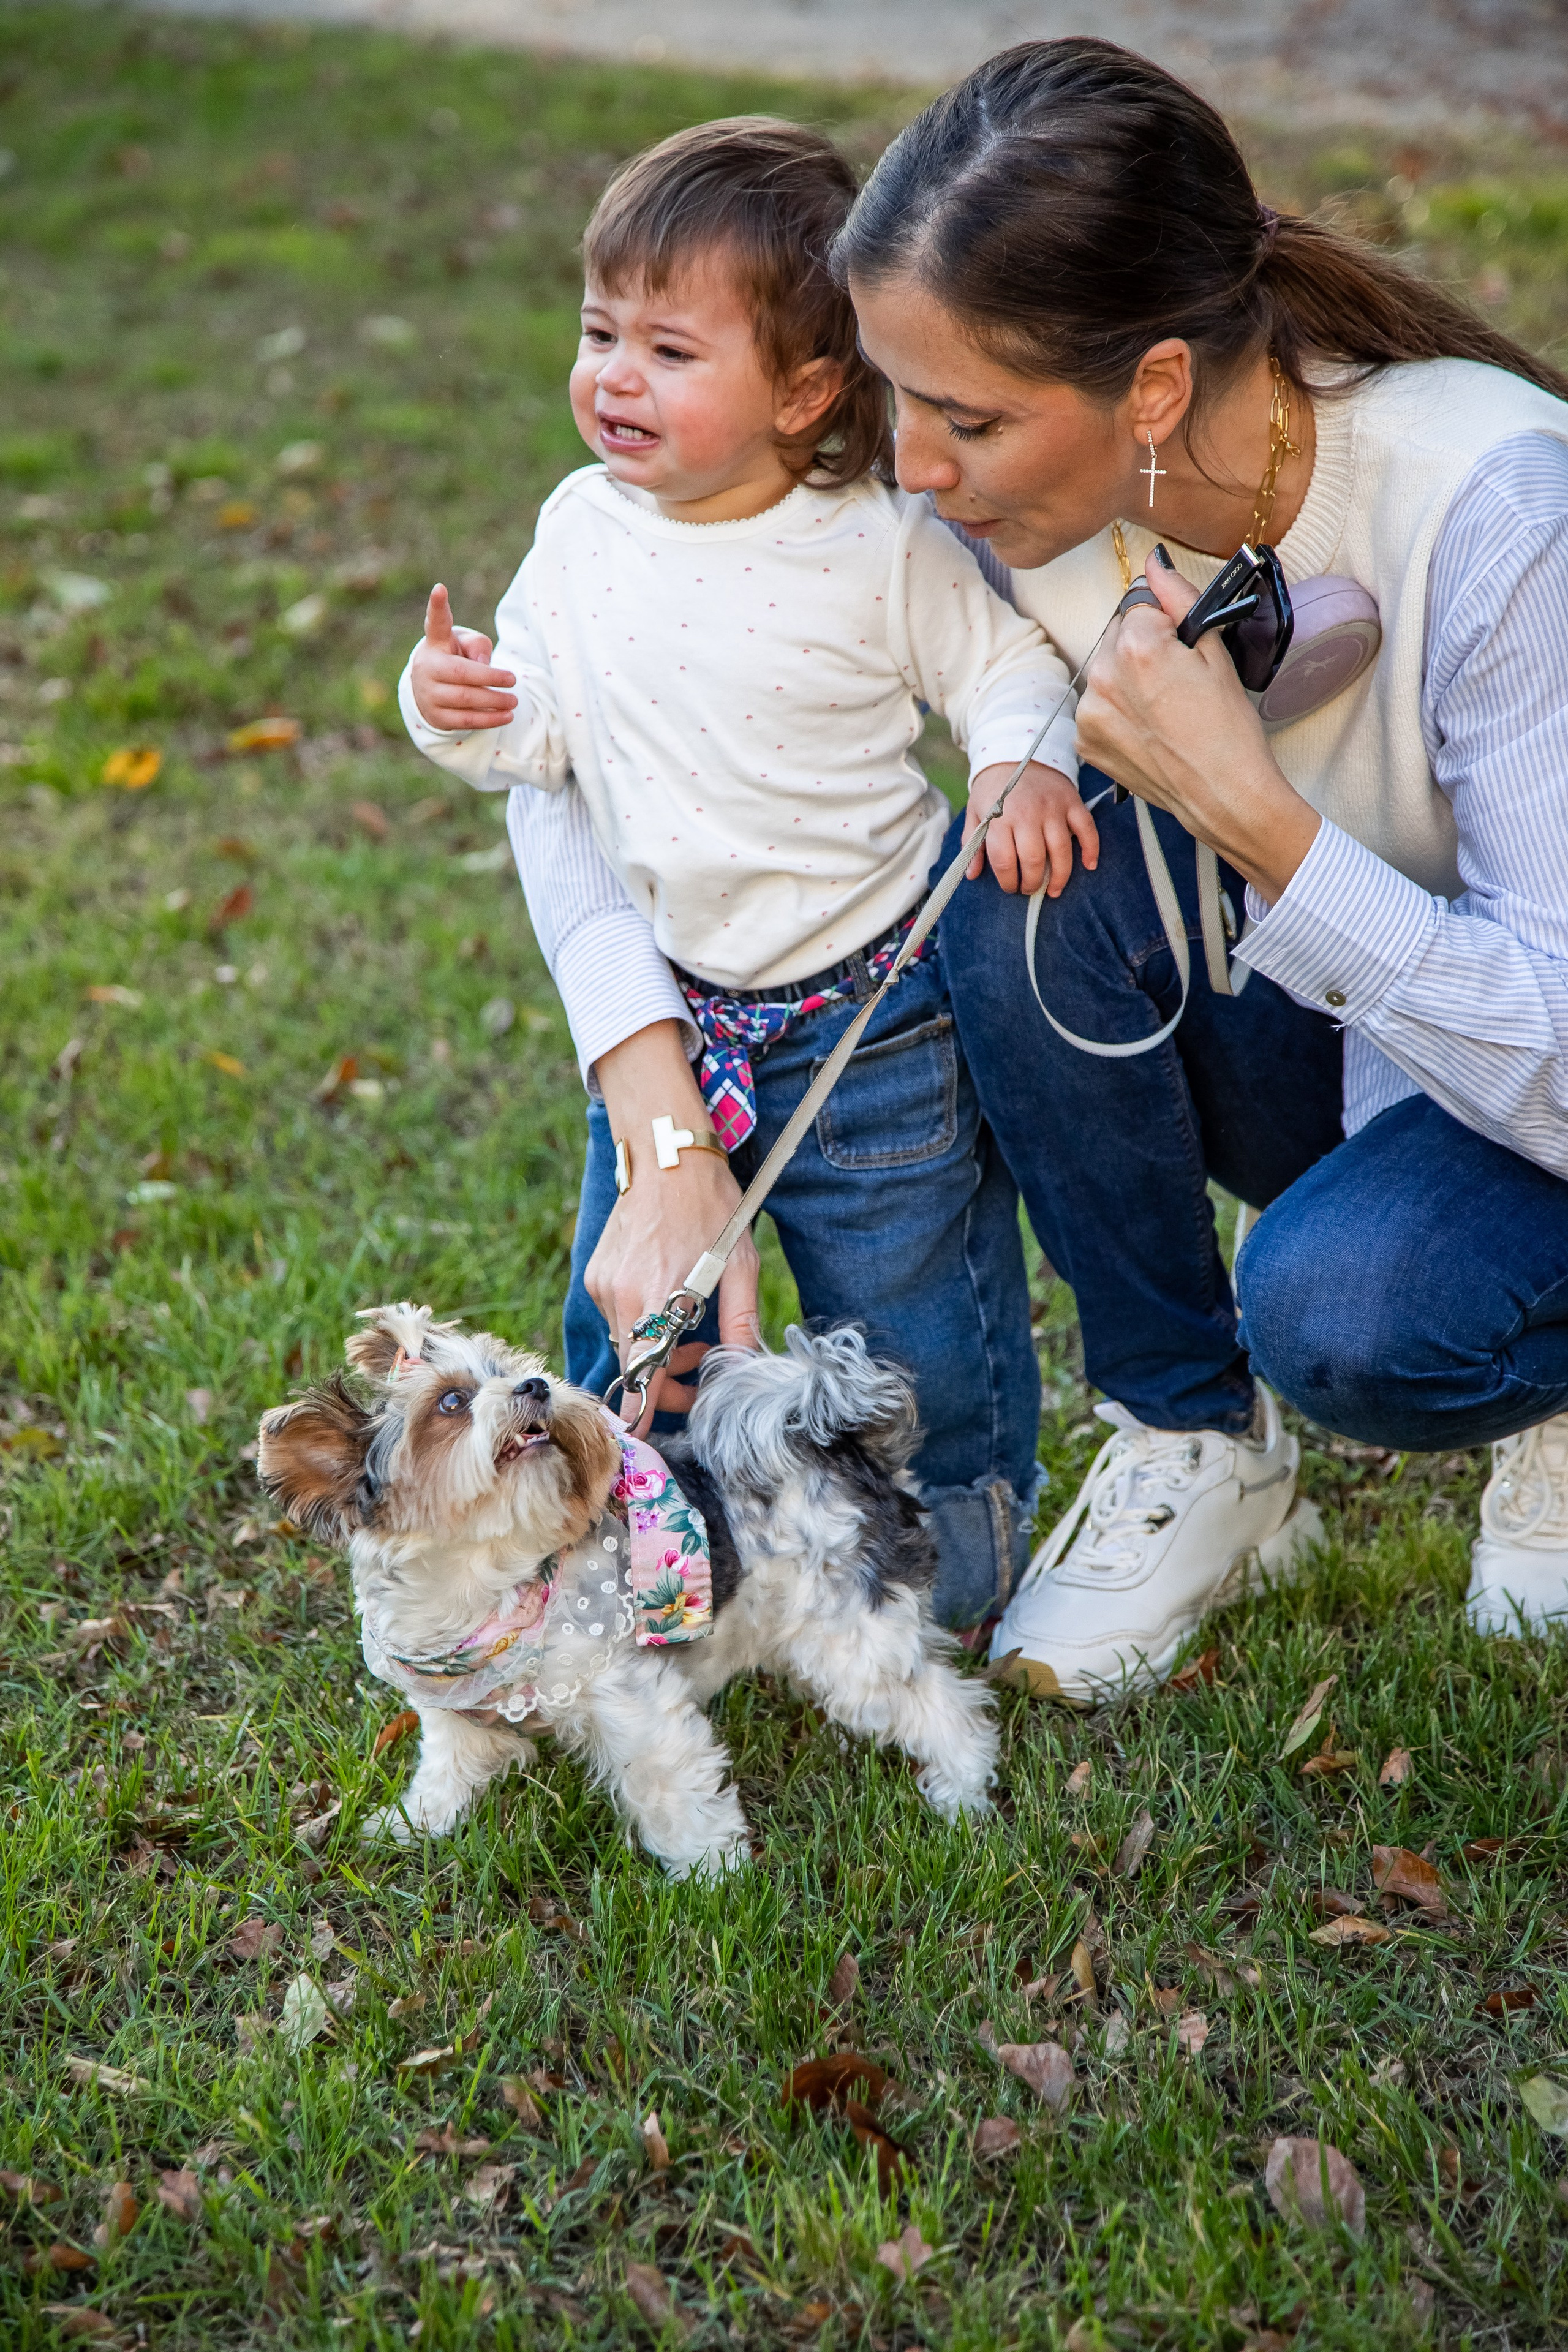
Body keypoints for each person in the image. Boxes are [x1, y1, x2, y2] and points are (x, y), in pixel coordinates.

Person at [830, 37, 1568, 1697]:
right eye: (895, 397)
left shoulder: (1499, 508)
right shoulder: (1054, 510)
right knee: (1026, 868)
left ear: (1153, 388)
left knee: (1353, 1316)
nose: (911, 466)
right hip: (1385, 1040)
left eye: (962, 416)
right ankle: (1192, 1438)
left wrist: (1263, 825)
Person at [397, 117, 1091, 1623]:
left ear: (804, 389)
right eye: (598, 334)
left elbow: (1005, 672)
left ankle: (954, 1559)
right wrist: (450, 700)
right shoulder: (580, 533)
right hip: (685, 1015)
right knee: (637, 1315)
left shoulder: (875, 543)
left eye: (666, 348)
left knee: (911, 1328)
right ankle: (629, 1544)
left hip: (875, 1028)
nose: (612, 378)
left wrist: (1020, 759)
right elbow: (535, 743)